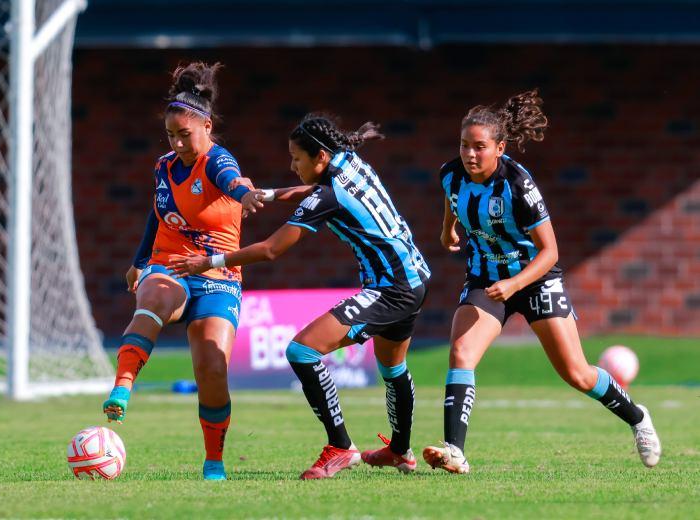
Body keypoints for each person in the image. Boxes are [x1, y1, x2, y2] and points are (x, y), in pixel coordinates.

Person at [169, 114, 432, 479]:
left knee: (302, 351)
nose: (292, 166)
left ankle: (341, 447)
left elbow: (271, 249)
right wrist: (271, 194)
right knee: (392, 367)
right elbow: (310, 191)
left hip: (390, 290)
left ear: (320, 156)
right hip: (415, 278)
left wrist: (210, 261)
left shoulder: (329, 195)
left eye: (296, 158)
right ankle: (400, 452)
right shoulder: (350, 162)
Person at [423, 89, 661, 474]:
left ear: (500, 148)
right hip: (486, 278)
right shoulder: (450, 173)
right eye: (464, 145)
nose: (470, 154)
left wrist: (515, 284)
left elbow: (550, 251)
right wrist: (447, 228)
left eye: (480, 147)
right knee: (461, 352)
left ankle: (638, 417)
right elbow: (452, 198)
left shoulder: (518, 184)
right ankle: (455, 451)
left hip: (534, 279)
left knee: (577, 373)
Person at [102, 61, 262, 481]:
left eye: (184, 134)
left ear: (207, 126)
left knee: (211, 368)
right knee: (155, 297)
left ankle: (214, 460)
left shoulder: (218, 160)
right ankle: (122, 386)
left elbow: (231, 181)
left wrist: (245, 195)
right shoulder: (164, 165)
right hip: (169, 262)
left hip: (217, 274)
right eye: (170, 134)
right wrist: (140, 261)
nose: (177, 143)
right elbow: (157, 214)